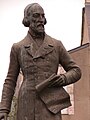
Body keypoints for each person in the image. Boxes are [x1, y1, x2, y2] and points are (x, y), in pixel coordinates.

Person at [0, 3, 81, 120]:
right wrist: (4, 108)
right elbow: (10, 80)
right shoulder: (18, 47)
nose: (41, 20)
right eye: (36, 16)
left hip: (51, 102)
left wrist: (63, 79)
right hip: (27, 102)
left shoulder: (56, 45)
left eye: (43, 16)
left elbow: (76, 70)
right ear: (27, 19)